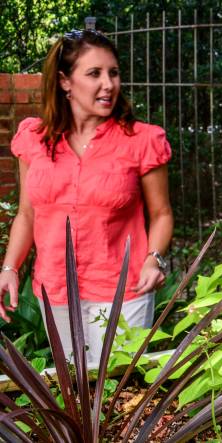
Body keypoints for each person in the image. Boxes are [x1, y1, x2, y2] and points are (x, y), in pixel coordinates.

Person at [0, 29, 173, 366]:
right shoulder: (34, 140)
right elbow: (27, 214)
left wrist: (154, 259)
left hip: (124, 291)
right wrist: (10, 267)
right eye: (94, 74)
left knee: (118, 392)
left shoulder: (141, 140)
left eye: (113, 72)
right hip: (56, 290)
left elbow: (162, 213)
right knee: (75, 388)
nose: (108, 84)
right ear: (65, 82)